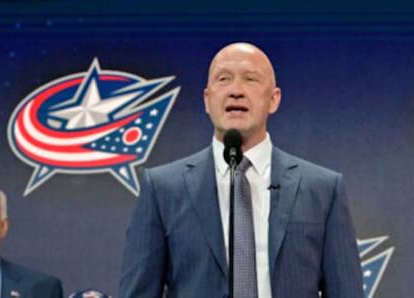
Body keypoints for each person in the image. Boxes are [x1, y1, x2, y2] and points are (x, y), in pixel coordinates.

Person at [119, 42, 364, 298]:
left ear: (274, 99)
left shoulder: (323, 189)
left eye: (250, 79)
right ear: (207, 99)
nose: (236, 90)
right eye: (223, 79)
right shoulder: (162, 189)